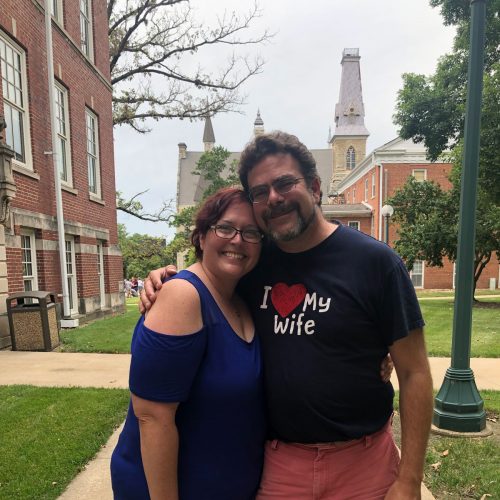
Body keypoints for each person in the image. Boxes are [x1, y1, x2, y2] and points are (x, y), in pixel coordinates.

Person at [142, 131, 433, 499]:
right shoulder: (252, 265)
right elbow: (209, 281)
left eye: (284, 184)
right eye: (260, 192)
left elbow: (415, 371)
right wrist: (168, 277)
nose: (273, 199)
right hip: (281, 465)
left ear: (314, 187)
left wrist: (408, 480)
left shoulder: (375, 263)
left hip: (365, 462)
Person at [111, 187, 267, 500]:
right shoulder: (184, 296)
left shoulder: (242, 297)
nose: (238, 239)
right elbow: (153, 417)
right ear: (201, 237)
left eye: (252, 232)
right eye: (225, 227)